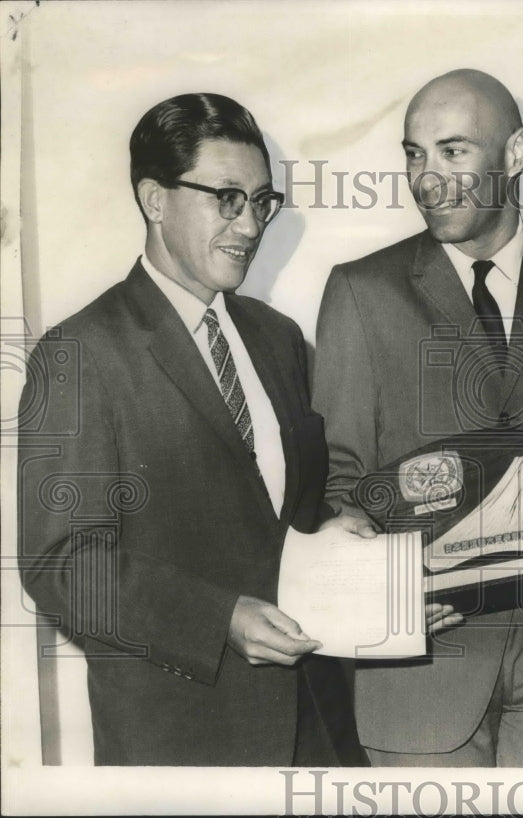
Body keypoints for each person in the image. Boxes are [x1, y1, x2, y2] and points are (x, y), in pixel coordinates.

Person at [17, 93, 365, 766]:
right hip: (184, 738)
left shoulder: (279, 337)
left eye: (262, 201)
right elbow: (63, 564)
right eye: (226, 198)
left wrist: (336, 534)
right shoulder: (81, 354)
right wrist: (219, 618)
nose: (250, 225)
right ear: (154, 198)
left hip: (316, 725)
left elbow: (281, 514)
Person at [312, 69, 523, 766]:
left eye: (453, 152)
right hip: (419, 667)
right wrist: (382, 598)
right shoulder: (359, 291)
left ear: (514, 153)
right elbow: (337, 481)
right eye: (413, 154)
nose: (427, 178)